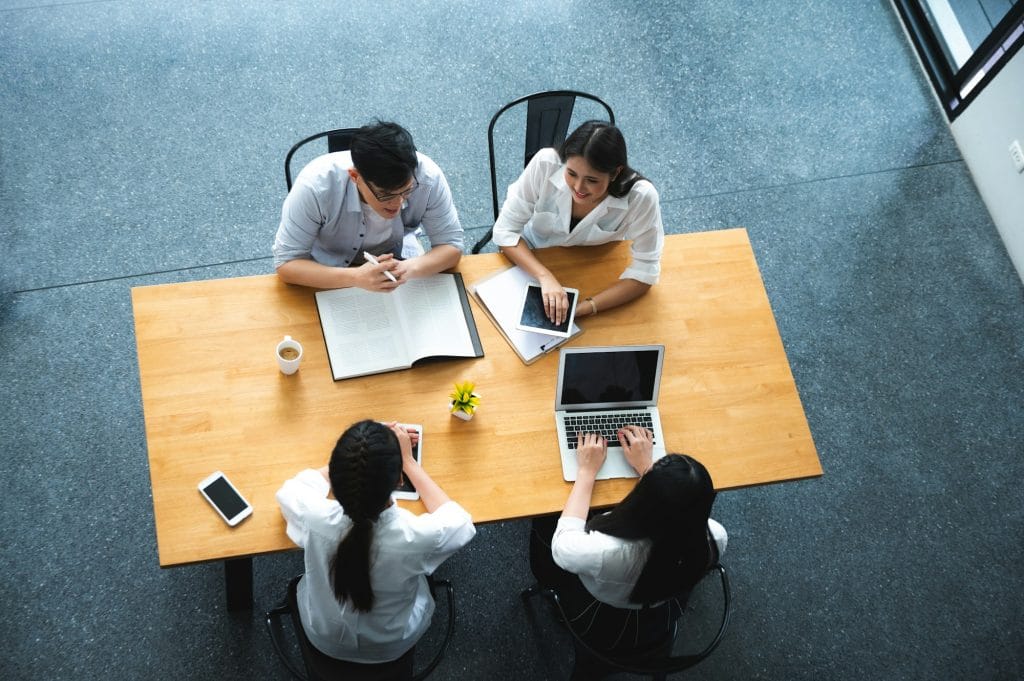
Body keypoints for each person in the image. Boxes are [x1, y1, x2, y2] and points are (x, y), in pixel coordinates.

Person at [276, 420, 476, 665]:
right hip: (389, 646)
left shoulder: (314, 517)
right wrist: (409, 461)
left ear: (336, 482)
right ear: (399, 481)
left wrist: (356, 456)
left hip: (323, 637)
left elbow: (290, 491)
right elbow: (461, 521)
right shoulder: (417, 536)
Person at [531, 426, 726, 650]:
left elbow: (562, 544)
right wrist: (646, 467)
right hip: (663, 607)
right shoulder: (716, 537)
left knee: (546, 518)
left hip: (600, 613)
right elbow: (673, 512)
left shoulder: (602, 551)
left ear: (644, 501)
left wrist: (586, 471)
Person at [492, 120, 665, 325]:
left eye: (592, 180)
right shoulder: (546, 163)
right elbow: (505, 231)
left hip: (594, 268)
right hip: (534, 257)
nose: (578, 188)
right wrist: (545, 276)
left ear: (616, 173)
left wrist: (584, 308)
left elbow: (646, 272)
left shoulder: (641, 197)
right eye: (571, 174)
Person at [273, 121, 464, 291]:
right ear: (355, 177)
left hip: (399, 258)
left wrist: (406, 269)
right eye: (386, 194)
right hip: (326, 271)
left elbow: (452, 246)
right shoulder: (315, 187)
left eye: (406, 191)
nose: (398, 203)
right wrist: (356, 277)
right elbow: (287, 264)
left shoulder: (428, 178)